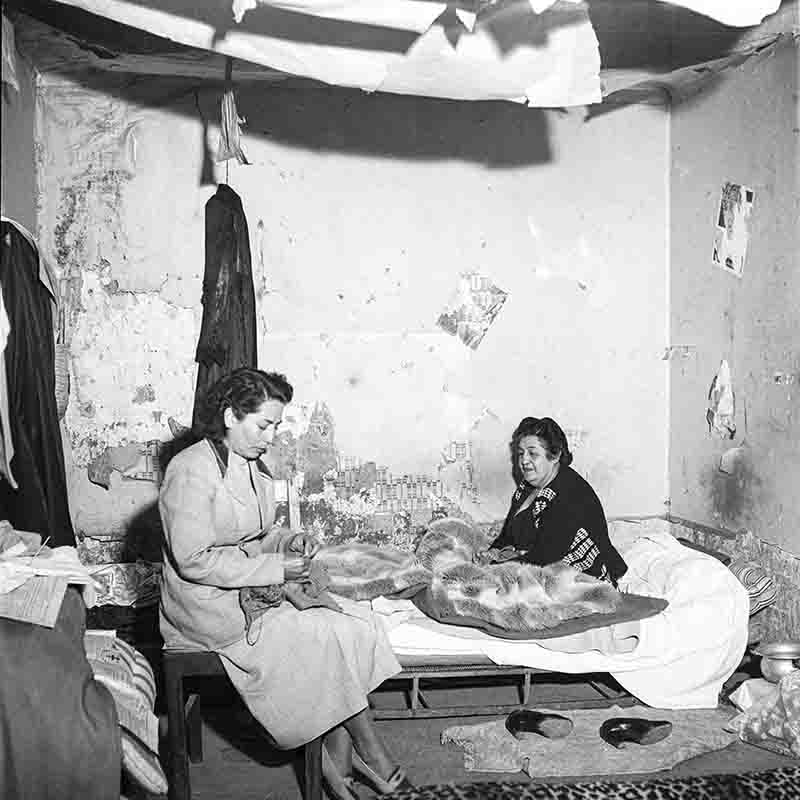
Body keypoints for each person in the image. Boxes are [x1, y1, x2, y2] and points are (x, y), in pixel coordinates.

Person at [159, 367, 411, 798]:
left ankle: (340, 756)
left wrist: (289, 539)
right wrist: (278, 570)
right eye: (263, 425)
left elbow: (255, 536)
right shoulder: (190, 471)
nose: (271, 436)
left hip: (248, 591)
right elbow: (194, 560)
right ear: (228, 416)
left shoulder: (252, 466)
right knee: (324, 634)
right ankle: (368, 754)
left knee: (357, 623)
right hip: (207, 610)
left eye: (275, 425)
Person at [489, 416, 627, 586]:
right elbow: (507, 535)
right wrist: (492, 552)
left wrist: (494, 569)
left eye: (532, 453)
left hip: (583, 575)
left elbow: (546, 556)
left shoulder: (570, 493)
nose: (524, 460)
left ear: (554, 456)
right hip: (536, 565)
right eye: (520, 453)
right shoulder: (526, 489)